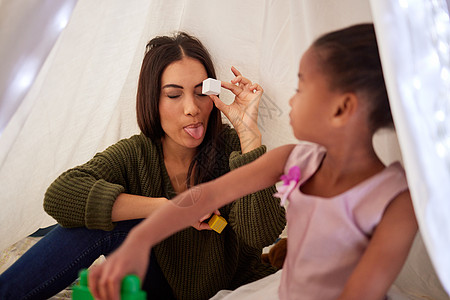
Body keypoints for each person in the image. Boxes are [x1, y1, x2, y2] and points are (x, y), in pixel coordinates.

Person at [88, 23, 418, 300]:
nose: (289, 99)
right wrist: (140, 239)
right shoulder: (292, 158)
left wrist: (248, 133)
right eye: (174, 95)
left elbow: (360, 291)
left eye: (300, 87)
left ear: (341, 108)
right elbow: (204, 197)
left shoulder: (398, 200)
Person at [0, 32, 286, 300]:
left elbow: (262, 234)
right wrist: (169, 208)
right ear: (153, 100)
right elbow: (60, 195)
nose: (192, 108)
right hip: (160, 287)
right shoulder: (136, 153)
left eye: (201, 93)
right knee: (96, 223)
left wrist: (249, 133)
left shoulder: (231, 147)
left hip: (227, 286)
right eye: (174, 95)